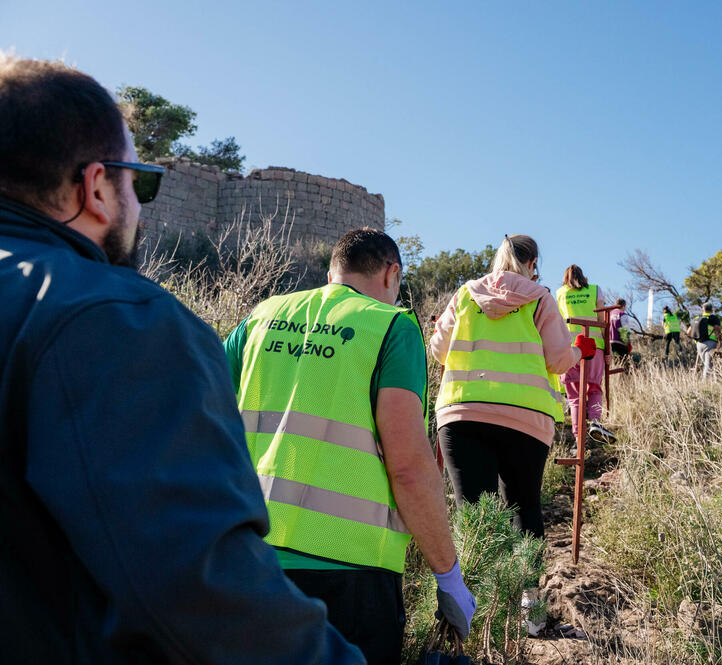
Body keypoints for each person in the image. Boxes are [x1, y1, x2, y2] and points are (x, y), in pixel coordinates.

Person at [0, 56, 364, 663]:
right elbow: (202, 599)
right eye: (140, 182)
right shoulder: (115, 320)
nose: (142, 206)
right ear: (96, 187)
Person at [225, 228, 475, 665]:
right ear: (391, 274)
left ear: (332, 272)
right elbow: (409, 469)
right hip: (351, 578)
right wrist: (448, 577)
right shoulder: (392, 326)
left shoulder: (259, 317)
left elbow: (200, 421)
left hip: (247, 564)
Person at [430, 235, 583, 542]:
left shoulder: (465, 294)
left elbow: (438, 350)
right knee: (524, 508)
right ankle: (528, 591)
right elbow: (558, 361)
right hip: (526, 418)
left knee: (474, 518)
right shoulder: (540, 298)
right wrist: (580, 350)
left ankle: (476, 590)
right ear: (533, 263)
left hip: (462, 413)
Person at [555, 264, 616, 443]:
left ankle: (577, 437)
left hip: (571, 349)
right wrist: (608, 350)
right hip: (594, 347)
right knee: (595, 388)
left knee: (574, 396)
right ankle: (595, 422)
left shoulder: (560, 293)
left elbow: (558, 323)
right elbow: (603, 322)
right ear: (583, 275)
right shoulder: (595, 290)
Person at [688, 303, 722, 380]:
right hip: (710, 343)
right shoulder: (713, 318)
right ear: (712, 310)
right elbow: (717, 329)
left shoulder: (697, 318)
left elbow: (688, 332)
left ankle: (711, 381)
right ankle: (705, 383)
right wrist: (719, 342)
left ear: (702, 310)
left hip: (699, 344)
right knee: (708, 365)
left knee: (707, 364)